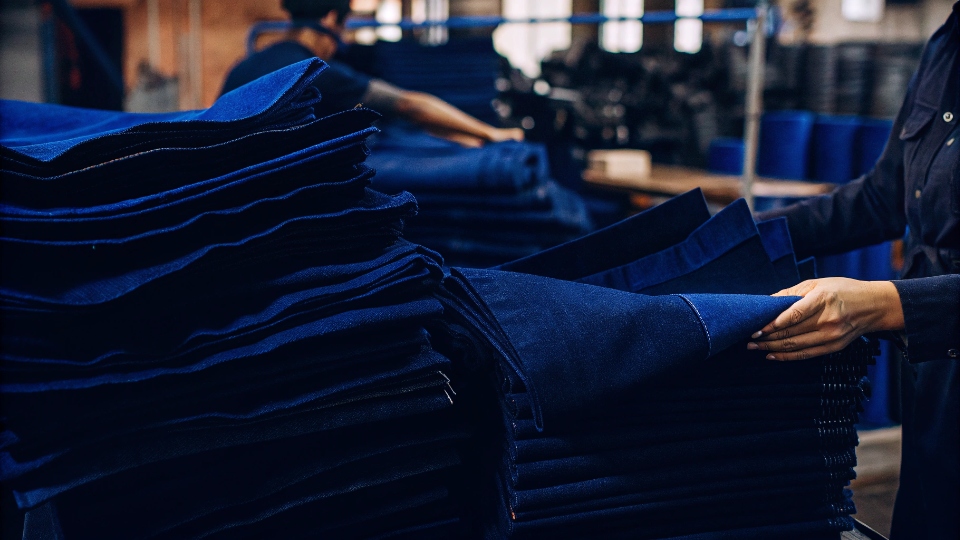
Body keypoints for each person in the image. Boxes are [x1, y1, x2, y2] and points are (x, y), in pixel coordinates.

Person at [748, 3, 960, 538]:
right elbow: (882, 199)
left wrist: (887, 304)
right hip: (933, 372)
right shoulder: (946, 45)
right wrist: (747, 235)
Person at [220, 0, 524, 148]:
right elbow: (409, 105)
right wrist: (492, 132)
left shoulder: (245, 66)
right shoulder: (313, 71)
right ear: (331, 18)